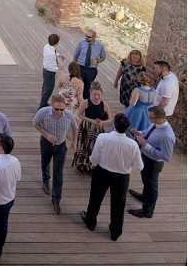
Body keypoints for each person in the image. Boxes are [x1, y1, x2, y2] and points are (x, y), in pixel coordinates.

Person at [81, 113, 144, 241]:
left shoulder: (103, 137)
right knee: (118, 205)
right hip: (121, 177)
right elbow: (139, 166)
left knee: (95, 199)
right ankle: (115, 233)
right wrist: (127, 167)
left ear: (114, 125)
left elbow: (94, 158)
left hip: (102, 172)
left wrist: (94, 163)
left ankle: (90, 222)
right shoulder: (132, 144)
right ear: (127, 128)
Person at [128, 106, 176, 219]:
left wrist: (145, 145)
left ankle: (147, 211)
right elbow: (147, 132)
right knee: (146, 181)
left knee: (151, 186)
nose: (148, 119)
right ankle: (145, 197)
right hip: (146, 157)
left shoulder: (167, 135)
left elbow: (166, 157)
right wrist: (139, 132)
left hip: (154, 163)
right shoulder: (156, 124)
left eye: (151, 117)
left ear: (160, 118)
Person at [33, 96, 77, 214]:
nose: (59, 112)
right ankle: (45, 181)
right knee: (45, 163)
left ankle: (56, 199)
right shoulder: (43, 112)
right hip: (46, 143)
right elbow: (35, 124)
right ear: (51, 105)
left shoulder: (69, 116)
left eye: (62, 109)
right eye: (56, 109)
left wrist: (74, 142)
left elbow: (75, 128)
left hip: (61, 146)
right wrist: (47, 135)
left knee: (58, 173)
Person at [72, 82, 112, 174]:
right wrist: (91, 121)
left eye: (99, 95)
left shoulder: (104, 105)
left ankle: (92, 166)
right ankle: (82, 164)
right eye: (94, 94)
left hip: (98, 129)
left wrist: (102, 122)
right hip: (86, 127)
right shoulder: (86, 103)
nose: (97, 97)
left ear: (101, 94)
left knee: (95, 147)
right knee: (84, 146)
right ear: (90, 93)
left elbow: (111, 120)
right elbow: (79, 115)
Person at [73, 30, 106, 99]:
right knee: (78, 85)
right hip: (80, 67)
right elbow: (76, 55)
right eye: (86, 36)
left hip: (91, 69)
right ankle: (76, 101)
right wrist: (74, 67)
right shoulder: (81, 43)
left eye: (89, 37)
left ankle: (85, 103)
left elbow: (103, 57)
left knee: (87, 87)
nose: (86, 38)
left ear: (94, 37)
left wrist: (97, 61)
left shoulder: (100, 46)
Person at [39, 33, 62, 110]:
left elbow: (54, 54)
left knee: (45, 87)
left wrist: (58, 55)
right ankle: (41, 106)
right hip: (50, 72)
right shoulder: (52, 54)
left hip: (45, 70)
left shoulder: (46, 46)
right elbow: (54, 67)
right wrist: (59, 67)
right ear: (57, 43)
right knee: (48, 90)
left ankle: (44, 102)